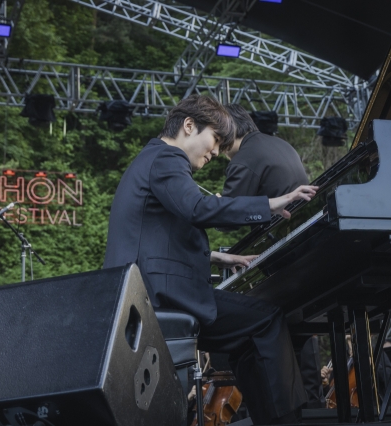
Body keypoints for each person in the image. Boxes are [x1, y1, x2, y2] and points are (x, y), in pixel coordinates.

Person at [103, 95, 318, 424]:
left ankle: (266, 418)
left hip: (147, 290)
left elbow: (157, 233)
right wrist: (270, 204)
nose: (217, 151)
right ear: (189, 126)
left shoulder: (150, 160)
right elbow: (197, 209)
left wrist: (218, 256)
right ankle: (286, 420)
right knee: (268, 318)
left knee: (246, 335)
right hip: (162, 294)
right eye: (215, 140)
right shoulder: (167, 158)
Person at [222, 104, 309, 199]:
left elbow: (230, 211)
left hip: (282, 213)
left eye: (217, 137)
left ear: (228, 130)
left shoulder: (242, 160)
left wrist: (219, 204)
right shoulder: (282, 143)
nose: (216, 150)